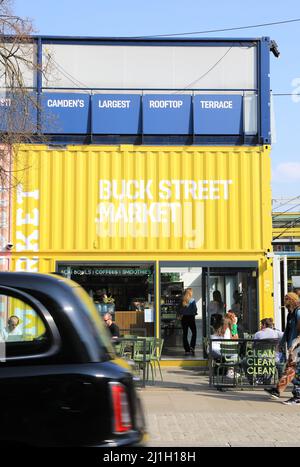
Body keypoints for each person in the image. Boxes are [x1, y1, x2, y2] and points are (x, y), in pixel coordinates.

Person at [264, 293, 300, 399]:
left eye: (286, 299)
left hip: (297, 346)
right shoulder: (290, 314)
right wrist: (281, 343)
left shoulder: (298, 312)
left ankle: (292, 393)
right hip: (292, 345)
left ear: (292, 300)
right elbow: (287, 331)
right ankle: (277, 390)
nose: (285, 301)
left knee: (292, 370)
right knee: (290, 369)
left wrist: (294, 344)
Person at [178, 287, 197, 356]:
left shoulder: (182, 300)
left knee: (185, 334)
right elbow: (194, 309)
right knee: (194, 332)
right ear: (190, 293)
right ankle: (192, 346)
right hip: (191, 318)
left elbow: (179, 310)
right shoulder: (192, 300)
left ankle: (187, 349)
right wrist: (194, 313)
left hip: (184, 318)